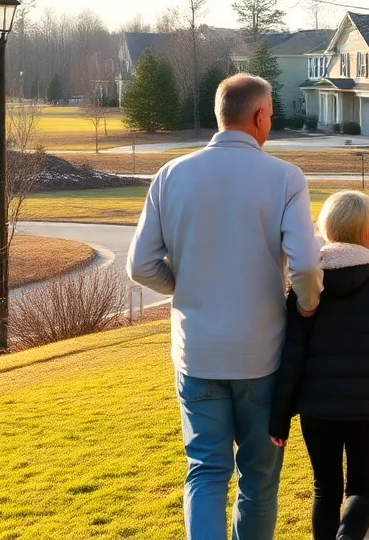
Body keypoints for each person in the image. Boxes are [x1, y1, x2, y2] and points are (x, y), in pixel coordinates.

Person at [126, 74, 323, 540]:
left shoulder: (171, 174)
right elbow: (307, 264)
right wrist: (308, 306)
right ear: (258, 117)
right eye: (271, 115)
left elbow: (139, 264)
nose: (271, 123)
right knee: (259, 478)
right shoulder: (284, 178)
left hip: (197, 352)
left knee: (205, 472)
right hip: (262, 354)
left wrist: (184, 287)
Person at [269, 191, 369, 540]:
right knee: (363, 490)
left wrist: (279, 417)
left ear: (327, 229)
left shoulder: (307, 285)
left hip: (317, 406)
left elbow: (290, 354)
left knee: (325, 491)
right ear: (368, 232)